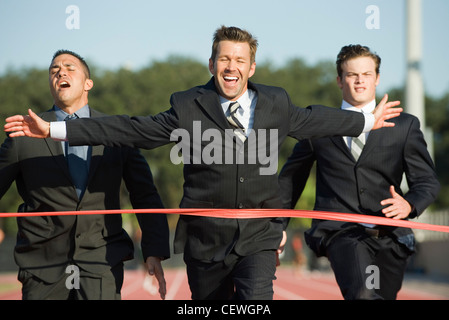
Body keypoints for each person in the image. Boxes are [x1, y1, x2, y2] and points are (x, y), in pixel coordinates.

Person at [4, 27, 402, 300]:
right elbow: (130, 129)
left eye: (240, 60)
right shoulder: (186, 105)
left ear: (252, 68)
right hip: (205, 240)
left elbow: (314, 119)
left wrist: (365, 119)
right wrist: (54, 131)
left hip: (258, 237)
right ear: (211, 64)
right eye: (224, 59)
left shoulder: (277, 102)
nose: (232, 66)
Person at [0, 50, 170, 300]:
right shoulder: (24, 133)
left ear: (88, 83)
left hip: (101, 262)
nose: (61, 72)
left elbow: (144, 194)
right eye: (54, 70)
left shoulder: (117, 131)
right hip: (42, 267)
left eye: (70, 67)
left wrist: (153, 250)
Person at [278, 44, 440, 300]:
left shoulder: (404, 125)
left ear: (377, 78)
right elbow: (291, 180)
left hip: (391, 236)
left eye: (366, 74)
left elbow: (427, 182)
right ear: (339, 80)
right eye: (352, 75)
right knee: (363, 294)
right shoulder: (318, 123)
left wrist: (408, 205)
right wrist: (278, 227)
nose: (360, 80)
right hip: (341, 232)